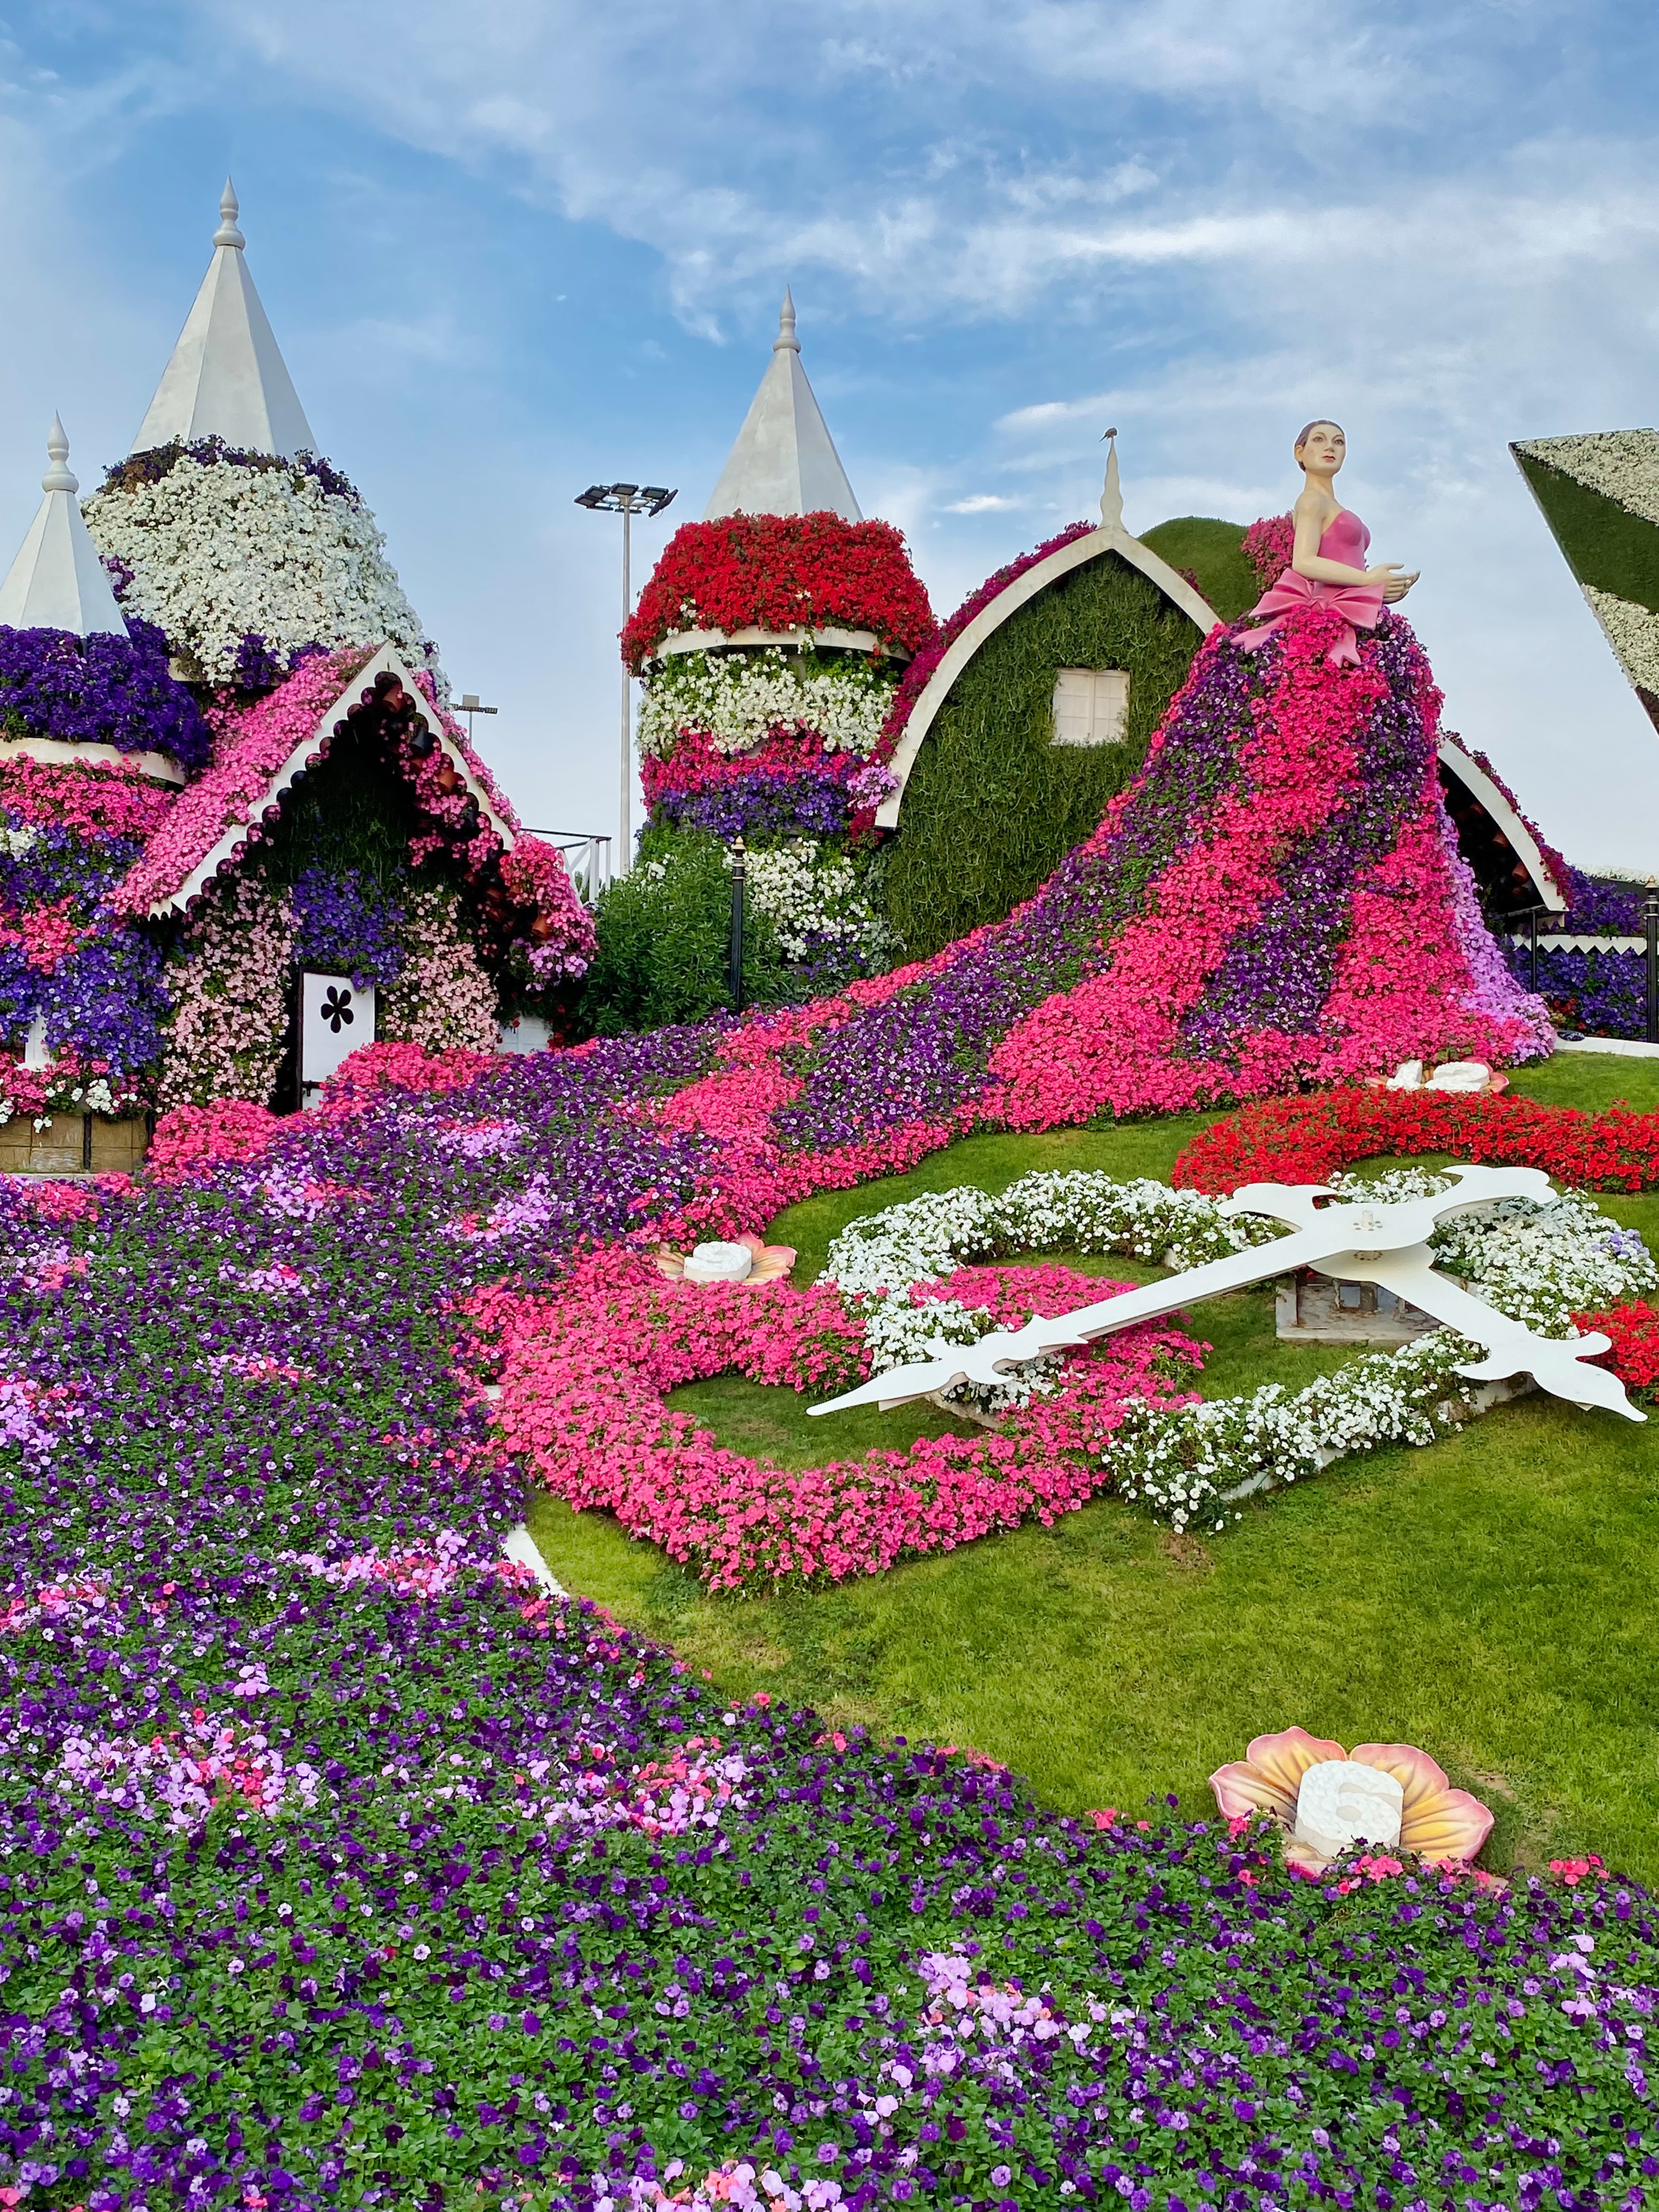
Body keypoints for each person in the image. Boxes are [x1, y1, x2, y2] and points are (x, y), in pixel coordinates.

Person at [1238, 420, 1420, 666]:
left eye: (1339, 442)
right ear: (1299, 453)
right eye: (1319, 440)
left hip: (1352, 614)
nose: (1330, 448)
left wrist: (1379, 590)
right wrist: (1369, 581)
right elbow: (1303, 562)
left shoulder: (1332, 505)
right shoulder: (1311, 501)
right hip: (1328, 617)